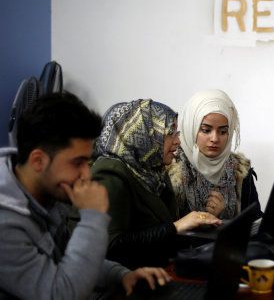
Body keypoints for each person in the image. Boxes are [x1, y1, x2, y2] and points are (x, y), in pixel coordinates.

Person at [0, 92, 170, 299]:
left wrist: (121, 275)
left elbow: (69, 261)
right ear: (38, 161)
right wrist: (93, 216)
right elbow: (62, 294)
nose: (86, 174)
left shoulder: (48, 195)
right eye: (77, 162)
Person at [91, 99, 221, 270]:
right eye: (170, 133)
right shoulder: (110, 174)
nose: (177, 141)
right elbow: (111, 247)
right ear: (143, 135)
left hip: (160, 270)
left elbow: (163, 229)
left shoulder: (152, 169)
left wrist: (200, 219)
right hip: (126, 282)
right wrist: (176, 227)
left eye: (177, 133)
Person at [169, 89, 261, 220]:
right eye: (206, 130)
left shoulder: (239, 170)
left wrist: (223, 218)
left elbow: (255, 218)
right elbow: (165, 231)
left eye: (223, 132)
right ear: (191, 127)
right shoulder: (171, 170)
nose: (215, 139)